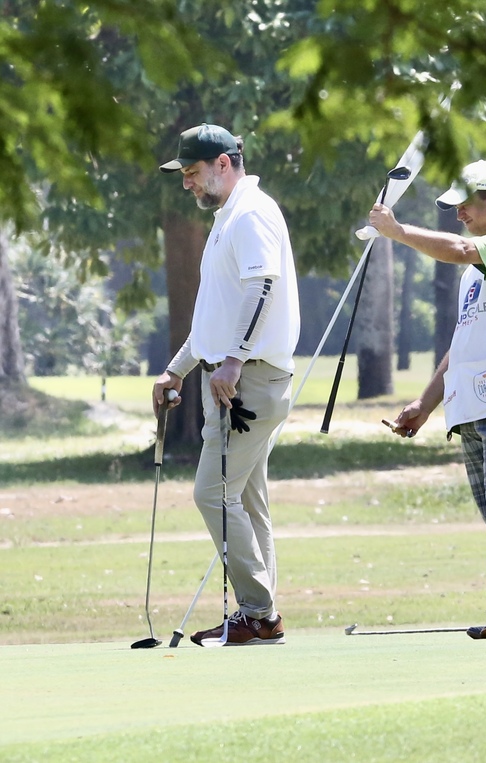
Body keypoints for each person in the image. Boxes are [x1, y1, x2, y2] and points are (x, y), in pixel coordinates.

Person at [153, 123, 300, 646]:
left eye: (192, 173)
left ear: (223, 162)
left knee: (212, 493)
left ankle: (259, 612)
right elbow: (215, 315)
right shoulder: (227, 216)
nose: (187, 184)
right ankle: (261, 614)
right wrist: (178, 367)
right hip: (238, 377)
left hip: (248, 382)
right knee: (247, 499)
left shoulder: (250, 212)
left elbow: (263, 288)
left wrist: (234, 359)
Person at [369, 159, 486, 640]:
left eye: (466, 203)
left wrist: (397, 231)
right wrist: (425, 404)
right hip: (475, 407)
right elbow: (464, 341)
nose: (458, 212)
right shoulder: (474, 271)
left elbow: (462, 247)